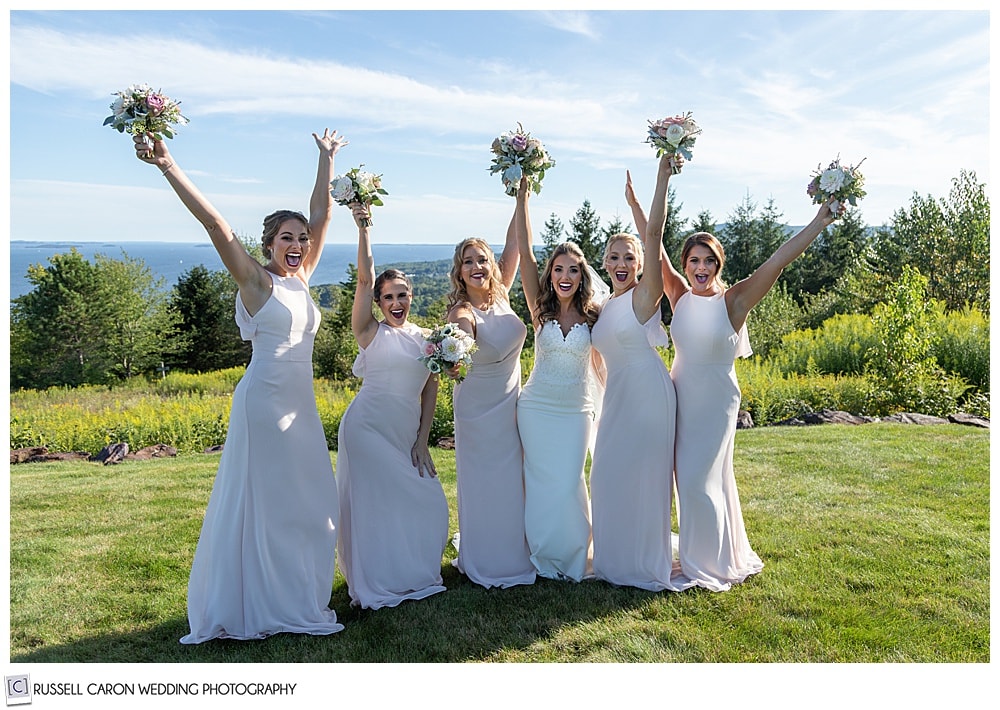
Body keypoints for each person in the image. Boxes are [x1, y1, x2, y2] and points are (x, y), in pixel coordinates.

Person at [133, 129, 348, 642]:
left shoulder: (301, 278)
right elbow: (215, 223)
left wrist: (325, 160)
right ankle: (263, 603)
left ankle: (296, 593)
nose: (297, 245)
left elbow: (324, 215)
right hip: (264, 404)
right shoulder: (257, 282)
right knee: (271, 502)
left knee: (310, 500)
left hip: (300, 405)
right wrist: (167, 164)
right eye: (286, 239)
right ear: (268, 244)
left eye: (302, 239)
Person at [627, 162, 843, 592]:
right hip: (679, 395)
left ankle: (706, 562)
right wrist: (637, 204)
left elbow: (779, 259)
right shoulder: (678, 293)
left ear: (718, 264)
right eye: (694, 260)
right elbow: (655, 249)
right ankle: (704, 551)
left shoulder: (734, 300)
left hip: (716, 401)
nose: (700, 267)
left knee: (697, 478)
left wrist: (820, 219)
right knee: (686, 479)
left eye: (708, 260)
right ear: (687, 265)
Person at [334, 203, 450, 610]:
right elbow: (364, 277)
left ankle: (411, 570)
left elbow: (430, 391)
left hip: (404, 433)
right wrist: (364, 225)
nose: (396, 303)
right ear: (379, 302)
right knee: (373, 506)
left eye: (402, 296)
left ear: (411, 297)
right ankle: (377, 578)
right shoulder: (370, 333)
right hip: (365, 429)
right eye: (388, 297)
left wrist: (423, 440)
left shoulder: (429, 340)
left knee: (426, 498)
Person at [588, 153, 693, 592]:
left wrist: (660, 179)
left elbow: (654, 233)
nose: (620, 263)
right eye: (614, 256)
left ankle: (643, 561)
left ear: (639, 263)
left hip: (650, 395)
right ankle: (615, 557)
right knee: (608, 473)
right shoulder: (606, 305)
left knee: (647, 480)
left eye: (629, 257)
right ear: (606, 261)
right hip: (618, 397)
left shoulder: (644, 296)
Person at [513, 178, 604, 582]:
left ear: (581, 275)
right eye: (558, 269)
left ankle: (573, 552)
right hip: (536, 408)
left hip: (575, 409)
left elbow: (604, 363)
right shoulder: (540, 309)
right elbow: (526, 251)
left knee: (569, 481)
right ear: (550, 274)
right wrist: (522, 198)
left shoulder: (594, 315)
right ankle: (542, 552)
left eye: (572, 269)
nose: (564, 275)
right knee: (541, 482)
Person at [445, 215, 535, 589]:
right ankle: (488, 559)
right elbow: (460, 343)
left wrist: (521, 192)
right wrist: (455, 351)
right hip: (478, 411)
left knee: (513, 484)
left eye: (482, 258)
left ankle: (518, 548)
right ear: (460, 273)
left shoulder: (502, 294)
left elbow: (514, 243)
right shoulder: (461, 312)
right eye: (468, 261)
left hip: (510, 405)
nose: (477, 266)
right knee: (486, 485)